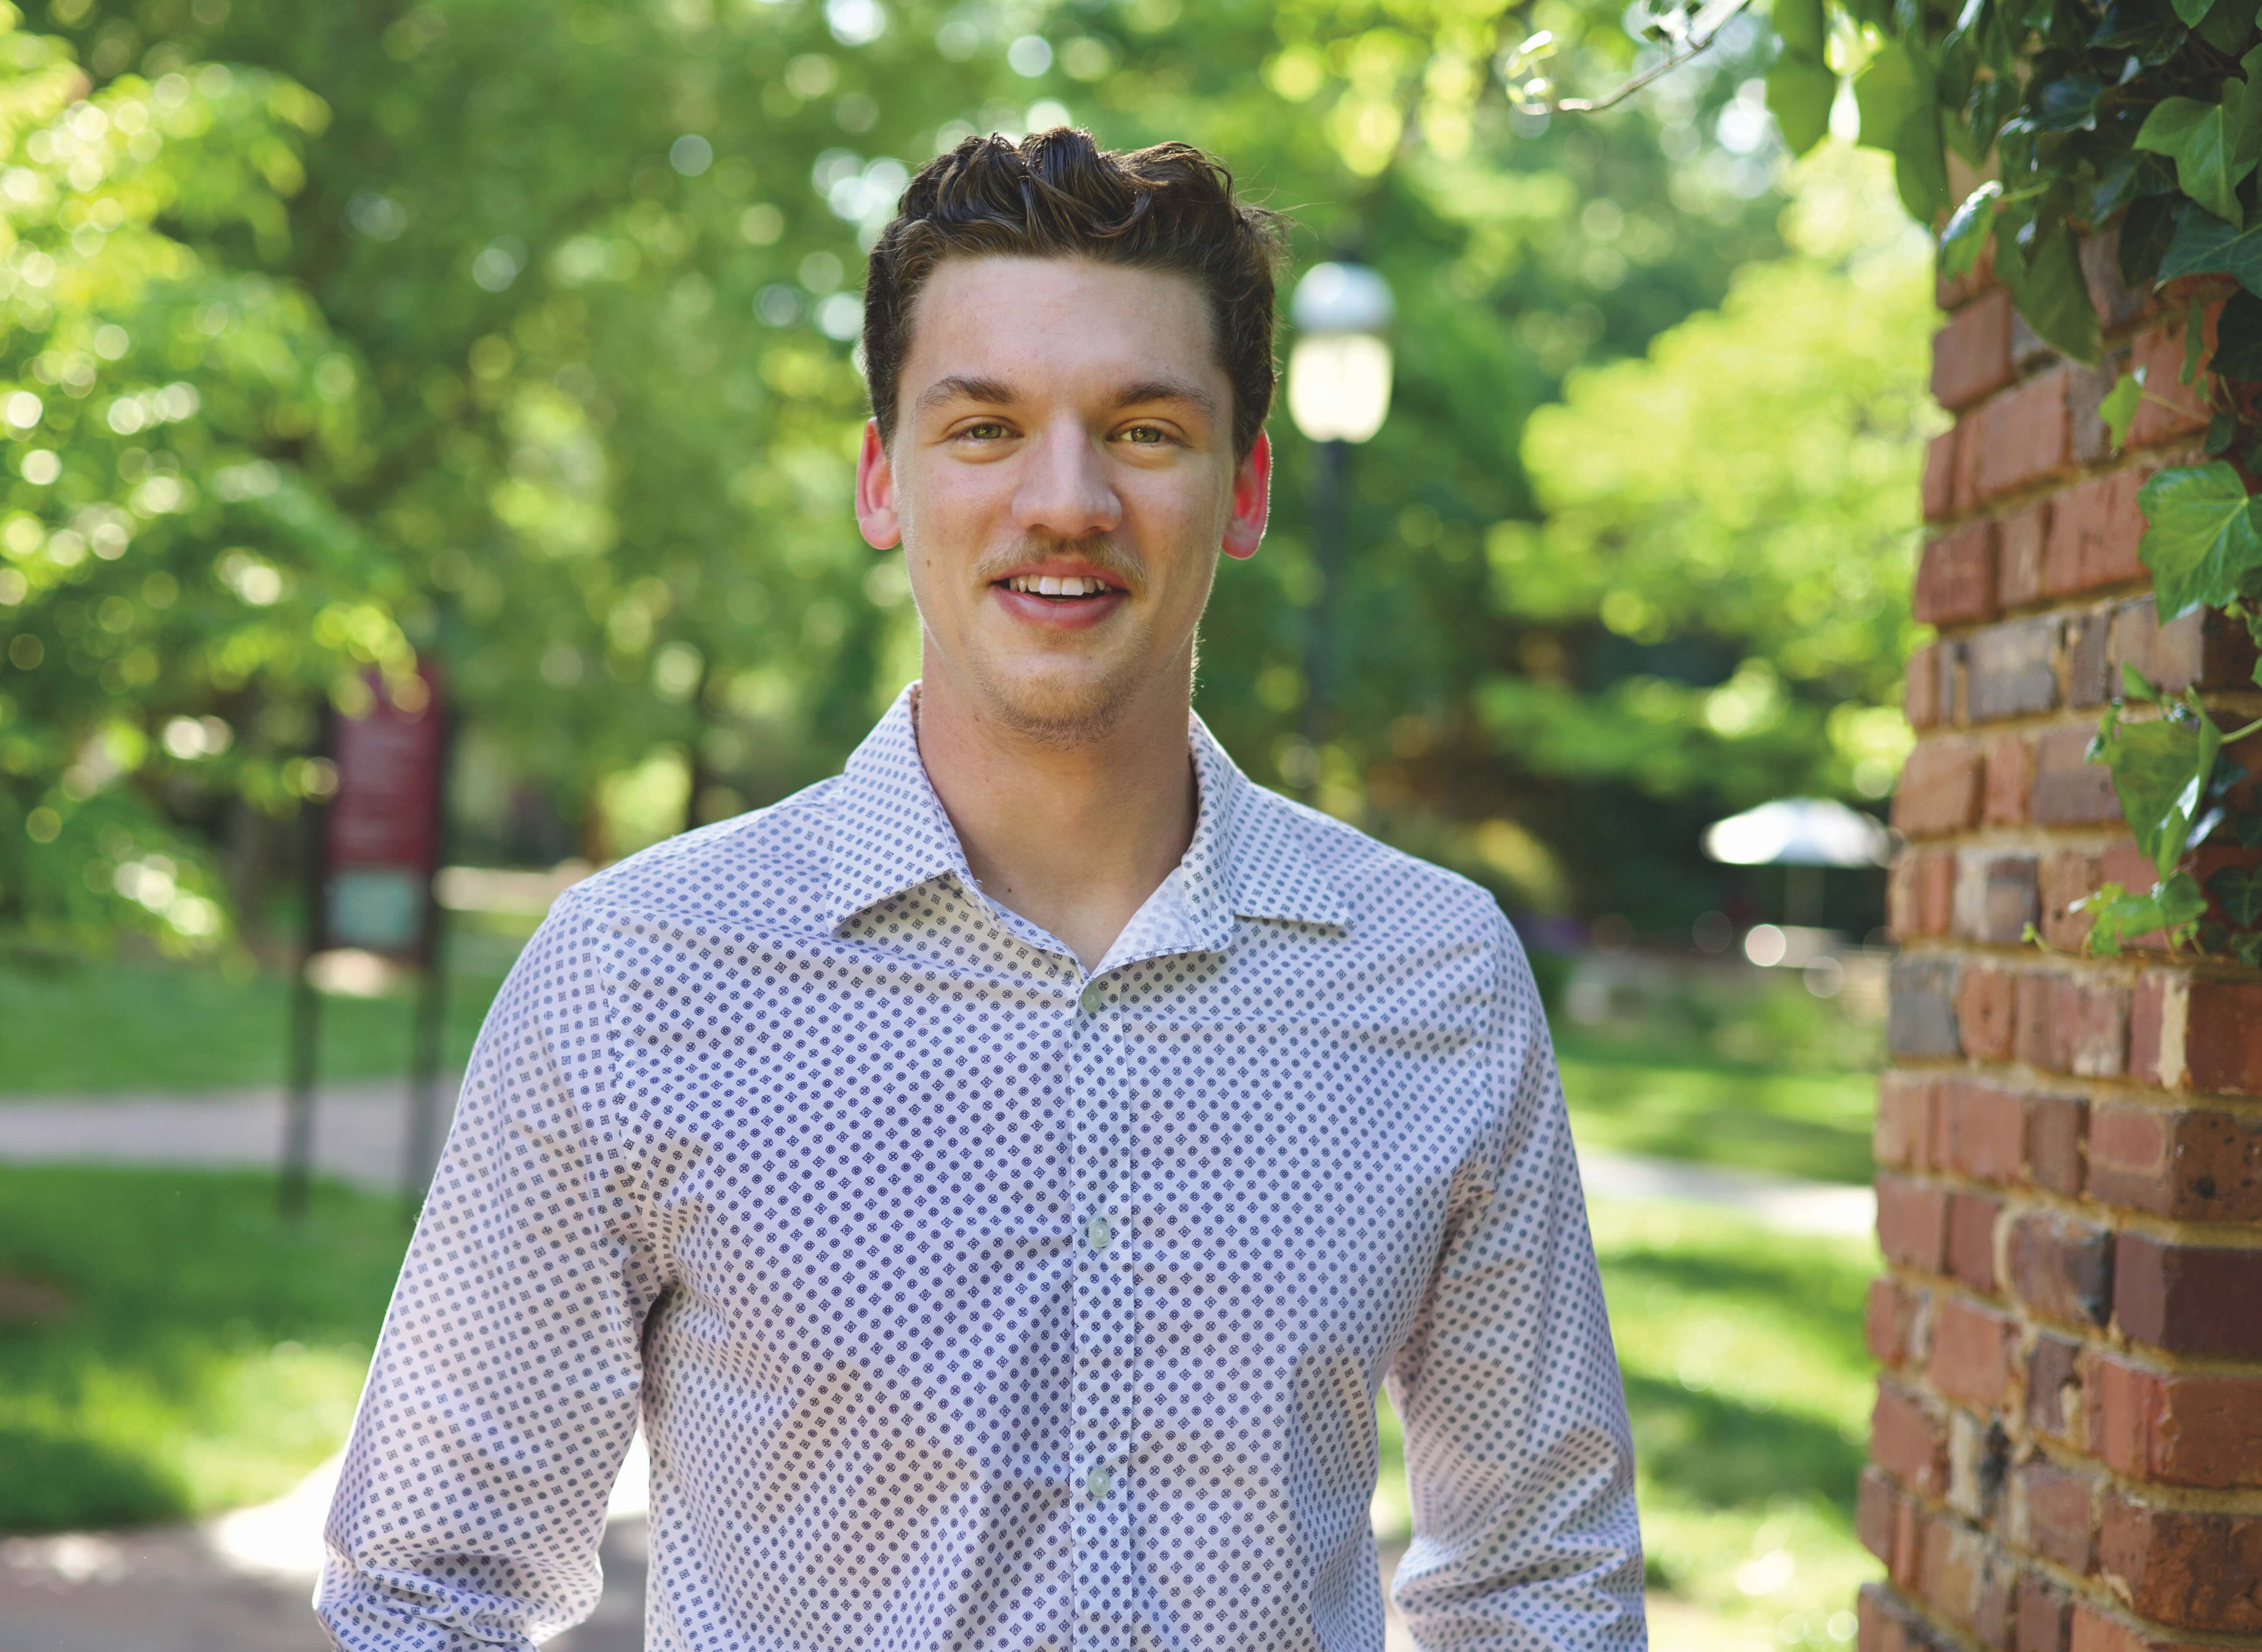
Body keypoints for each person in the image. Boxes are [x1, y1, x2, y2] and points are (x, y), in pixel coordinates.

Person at [317, 127, 1645, 1651]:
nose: (1064, 499)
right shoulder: (636, 975)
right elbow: (432, 1590)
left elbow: (1538, 1587)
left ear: (1246, 486)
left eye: (1144, 430)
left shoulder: (1434, 979)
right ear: (885, 481)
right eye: (985, 428)